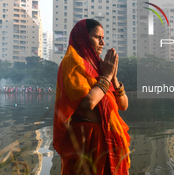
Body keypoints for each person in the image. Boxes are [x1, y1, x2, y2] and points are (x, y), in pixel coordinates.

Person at [53, 19, 130, 175]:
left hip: (108, 139)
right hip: (87, 141)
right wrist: (107, 77)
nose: (102, 42)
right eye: (97, 37)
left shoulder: (98, 67)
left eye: (103, 38)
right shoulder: (72, 62)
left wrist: (113, 77)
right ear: (83, 38)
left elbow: (123, 105)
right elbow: (88, 102)